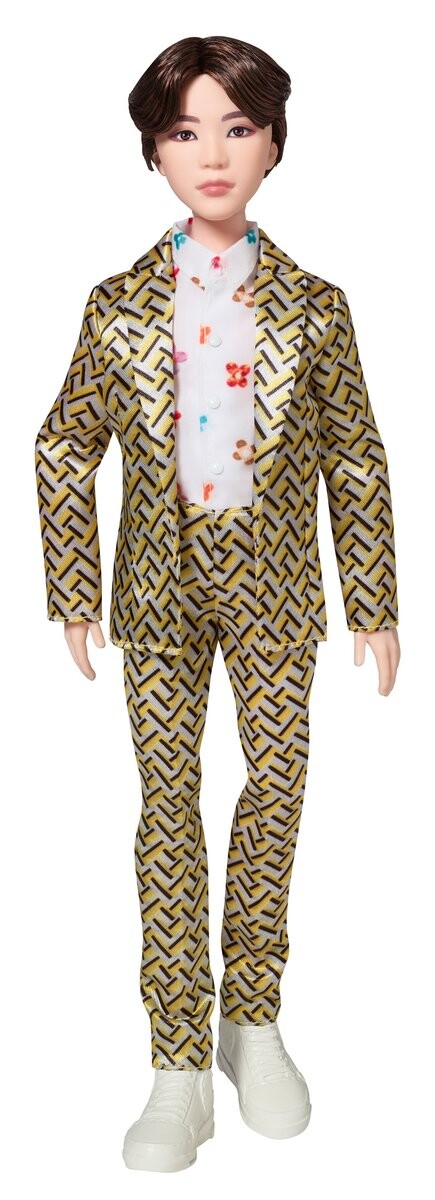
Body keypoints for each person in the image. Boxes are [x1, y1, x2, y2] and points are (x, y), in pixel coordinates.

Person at [34, 33, 401, 1173]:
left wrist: (374, 599)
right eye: (185, 131)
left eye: (237, 128)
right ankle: (178, 1057)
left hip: (278, 590)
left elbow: (356, 454)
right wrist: (73, 588)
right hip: (156, 591)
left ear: (274, 143)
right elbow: (63, 442)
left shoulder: (316, 307)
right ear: (153, 149)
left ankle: (253, 1015)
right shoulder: (116, 307)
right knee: (168, 807)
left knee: (278, 787)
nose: (212, 155)